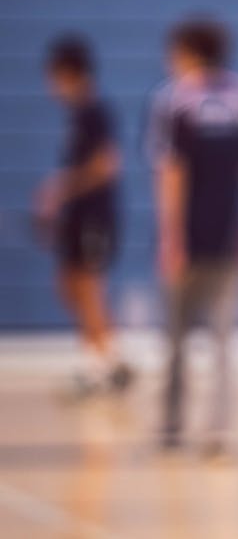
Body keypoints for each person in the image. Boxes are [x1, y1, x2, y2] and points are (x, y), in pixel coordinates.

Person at [146, 18, 238, 457]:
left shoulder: (174, 99)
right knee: (223, 341)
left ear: (188, 52)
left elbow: (170, 172)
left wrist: (169, 239)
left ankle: (173, 427)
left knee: (175, 339)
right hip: (231, 236)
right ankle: (219, 432)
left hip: (191, 239)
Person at [35, 35, 133, 398]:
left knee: (90, 288)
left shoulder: (95, 111)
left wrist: (60, 188)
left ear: (68, 73)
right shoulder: (76, 116)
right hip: (77, 217)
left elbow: (108, 164)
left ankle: (99, 369)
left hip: (96, 217)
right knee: (70, 285)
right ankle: (111, 360)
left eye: (53, 76)